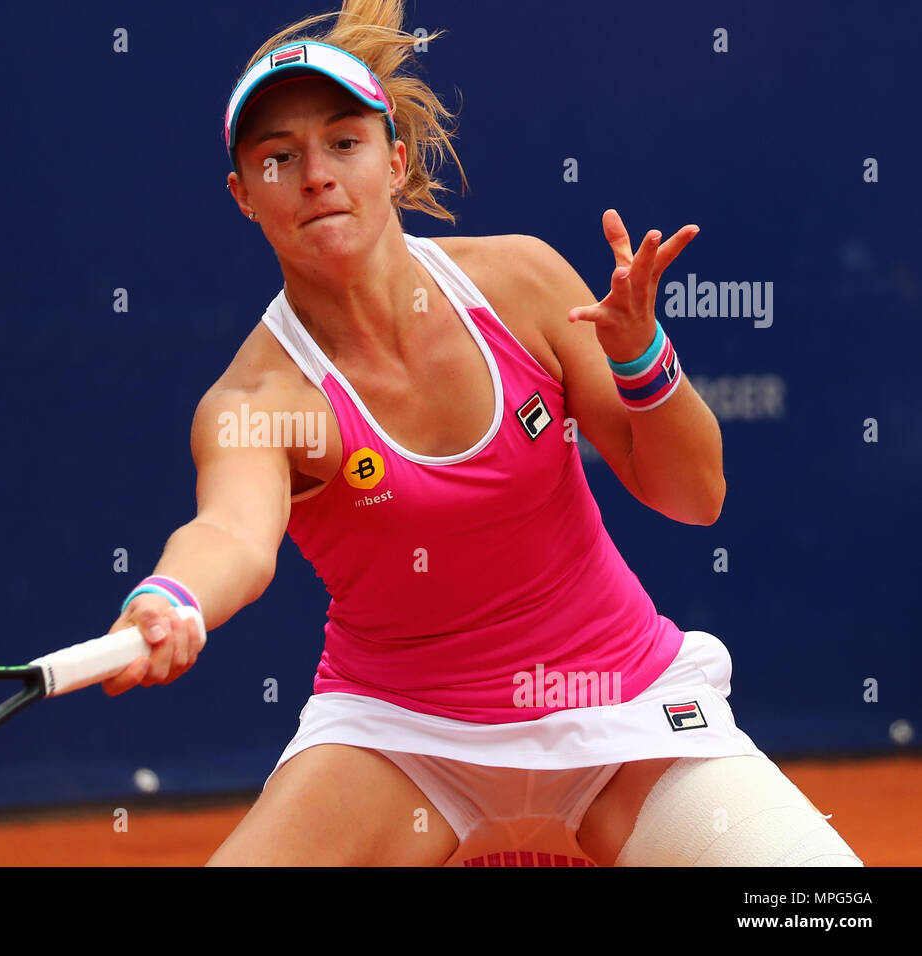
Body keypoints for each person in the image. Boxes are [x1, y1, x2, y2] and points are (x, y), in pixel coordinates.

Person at [100, 0, 864, 867]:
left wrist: (644, 356)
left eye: (344, 143)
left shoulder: (524, 284)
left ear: (395, 161)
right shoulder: (255, 396)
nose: (315, 175)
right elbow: (230, 534)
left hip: (618, 708)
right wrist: (171, 597)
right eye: (279, 158)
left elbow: (695, 495)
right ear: (245, 196)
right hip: (402, 743)